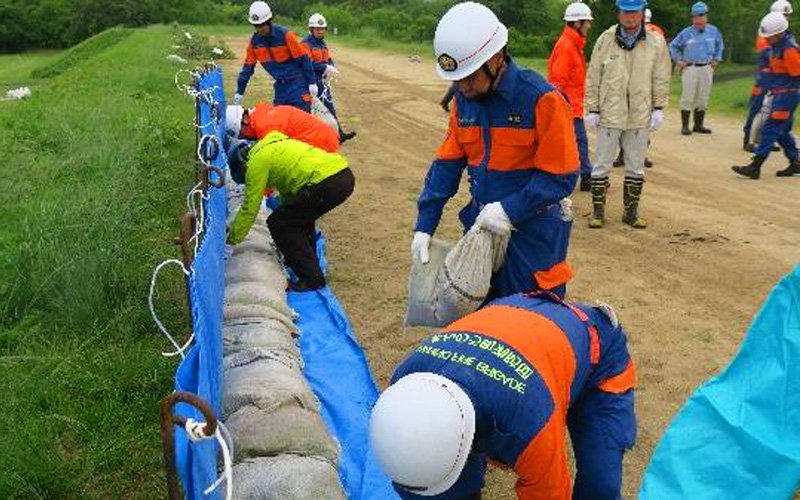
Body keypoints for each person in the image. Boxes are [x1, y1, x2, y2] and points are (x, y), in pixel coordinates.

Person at [370, 291, 636, 499]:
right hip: (513, 314)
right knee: (443, 484)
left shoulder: (528, 424)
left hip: (597, 355)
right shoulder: (402, 390)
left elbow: (547, 492)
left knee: (599, 485)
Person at [412, 2, 579, 300]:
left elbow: (560, 177)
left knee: (528, 318)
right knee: (477, 312)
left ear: (497, 58)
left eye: (470, 76)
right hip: (481, 225)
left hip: (533, 233)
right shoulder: (464, 99)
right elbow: (447, 164)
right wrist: (425, 225)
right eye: (456, 78)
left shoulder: (543, 100)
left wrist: (509, 209)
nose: (462, 87)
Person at [226, 131, 355, 291]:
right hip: (342, 175)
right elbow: (290, 192)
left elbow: (249, 208)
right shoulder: (271, 147)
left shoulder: (256, 163)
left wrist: (231, 240)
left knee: (279, 223)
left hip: (328, 182)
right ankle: (305, 262)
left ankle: (311, 278)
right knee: (297, 218)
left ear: (242, 168)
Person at [585, 0, 671, 229]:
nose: (630, 17)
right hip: (609, 112)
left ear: (642, 13)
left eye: (635, 12)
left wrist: (659, 107)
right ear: (619, 12)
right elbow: (594, 75)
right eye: (626, 12)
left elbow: (661, 76)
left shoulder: (655, 42)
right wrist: (592, 108)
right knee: (602, 164)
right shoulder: (606, 39)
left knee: (635, 165)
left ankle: (631, 213)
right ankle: (598, 212)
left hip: (639, 114)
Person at [732, 12, 800, 179]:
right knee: (782, 130)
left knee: (770, 128)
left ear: (778, 33)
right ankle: (796, 163)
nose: (767, 39)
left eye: (769, 36)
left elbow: (797, 73)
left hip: (787, 96)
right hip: (781, 94)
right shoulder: (777, 46)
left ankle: (755, 166)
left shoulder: (789, 49)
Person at [233, 1, 317, 113]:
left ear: (269, 21)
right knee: (278, 121)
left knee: (301, 119)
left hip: (297, 83)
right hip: (280, 87)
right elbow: (247, 69)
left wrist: (312, 82)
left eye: (263, 24)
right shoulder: (254, 43)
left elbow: (304, 59)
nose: (260, 28)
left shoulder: (286, 35)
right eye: (257, 25)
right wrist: (240, 91)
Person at [548, 2, 594, 192]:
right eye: (587, 22)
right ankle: (585, 176)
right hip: (567, 106)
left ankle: (585, 176)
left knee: (577, 142)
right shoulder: (567, 46)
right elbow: (558, 80)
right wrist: (560, 109)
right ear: (577, 23)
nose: (589, 26)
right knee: (576, 142)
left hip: (572, 104)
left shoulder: (574, 44)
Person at [743, 0, 793, 152]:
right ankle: (750, 140)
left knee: (771, 110)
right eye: (786, 15)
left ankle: (767, 140)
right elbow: (770, 56)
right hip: (768, 76)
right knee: (760, 107)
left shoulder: (772, 30)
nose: (788, 18)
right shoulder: (768, 31)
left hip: (773, 75)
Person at [669, 2, 725, 136]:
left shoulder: (713, 31)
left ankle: (698, 125)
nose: (698, 20)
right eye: (695, 17)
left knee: (703, 97)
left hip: (707, 68)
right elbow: (673, 46)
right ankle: (685, 126)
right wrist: (679, 60)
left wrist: (717, 58)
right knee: (688, 97)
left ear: (706, 16)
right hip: (690, 68)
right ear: (692, 18)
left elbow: (720, 45)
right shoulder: (686, 33)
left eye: (701, 16)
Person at [302, 13, 357, 143]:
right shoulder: (305, 44)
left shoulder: (322, 44)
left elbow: (328, 59)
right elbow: (307, 63)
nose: (321, 31)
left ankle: (339, 134)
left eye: (322, 29)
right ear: (311, 30)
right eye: (318, 29)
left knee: (329, 107)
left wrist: (330, 66)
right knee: (311, 111)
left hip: (322, 82)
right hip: (310, 82)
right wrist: (324, 68)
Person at [225, 102, 340, 153]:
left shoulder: (265, 128)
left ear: (245, 120)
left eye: (242, 133)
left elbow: (274, 163)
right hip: (324, 136)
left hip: (322, 144)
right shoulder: (261, 113)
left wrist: (265, 194)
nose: (245, 137)